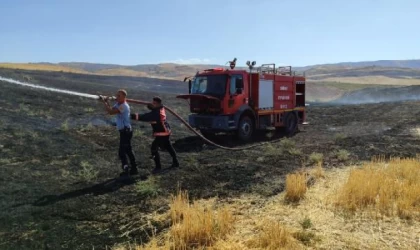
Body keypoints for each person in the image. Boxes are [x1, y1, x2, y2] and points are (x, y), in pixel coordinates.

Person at [130, 96, 179, 174]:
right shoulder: (161, 108)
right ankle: (176, 162)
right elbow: (155, 110)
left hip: (162, 133)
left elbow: (145, 117)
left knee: (154, 149)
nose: (153, 104)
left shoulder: (156, 114)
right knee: (169, 147)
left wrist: (131, 116)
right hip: (166, 132)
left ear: (159, 104)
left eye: (154, 103)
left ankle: (158, 167)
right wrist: (152, 107)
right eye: (152, 103)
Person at [99, 89, 138, 176]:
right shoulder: (118, 104)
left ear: (124, 97)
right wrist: (106, 101)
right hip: (124, 131)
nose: (117, 97)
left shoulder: (123, 106)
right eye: (117, 95)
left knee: (122, 152)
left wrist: (104, 102)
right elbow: (111, 110)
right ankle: (133, 169)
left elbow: (111, 112)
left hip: (126, 132)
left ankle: (127, 169)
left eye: (119, 96)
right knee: (128, 150)